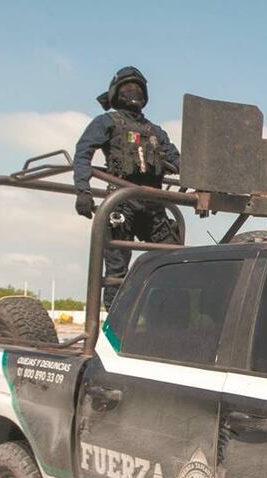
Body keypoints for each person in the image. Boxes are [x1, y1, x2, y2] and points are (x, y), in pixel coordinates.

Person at [73, 66, 182, 307]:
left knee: (175, 262)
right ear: (115, 93)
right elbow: (83, 154)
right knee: (116, 274)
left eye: (137, 87)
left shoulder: (156, 131)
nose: (133, 92)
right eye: (127, 87)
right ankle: (114, 327)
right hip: (122, 203)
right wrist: (83, 190)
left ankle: (164, 316)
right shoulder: (106, 123)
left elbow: (178, 161)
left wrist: (202, 182)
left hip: (154, 207)